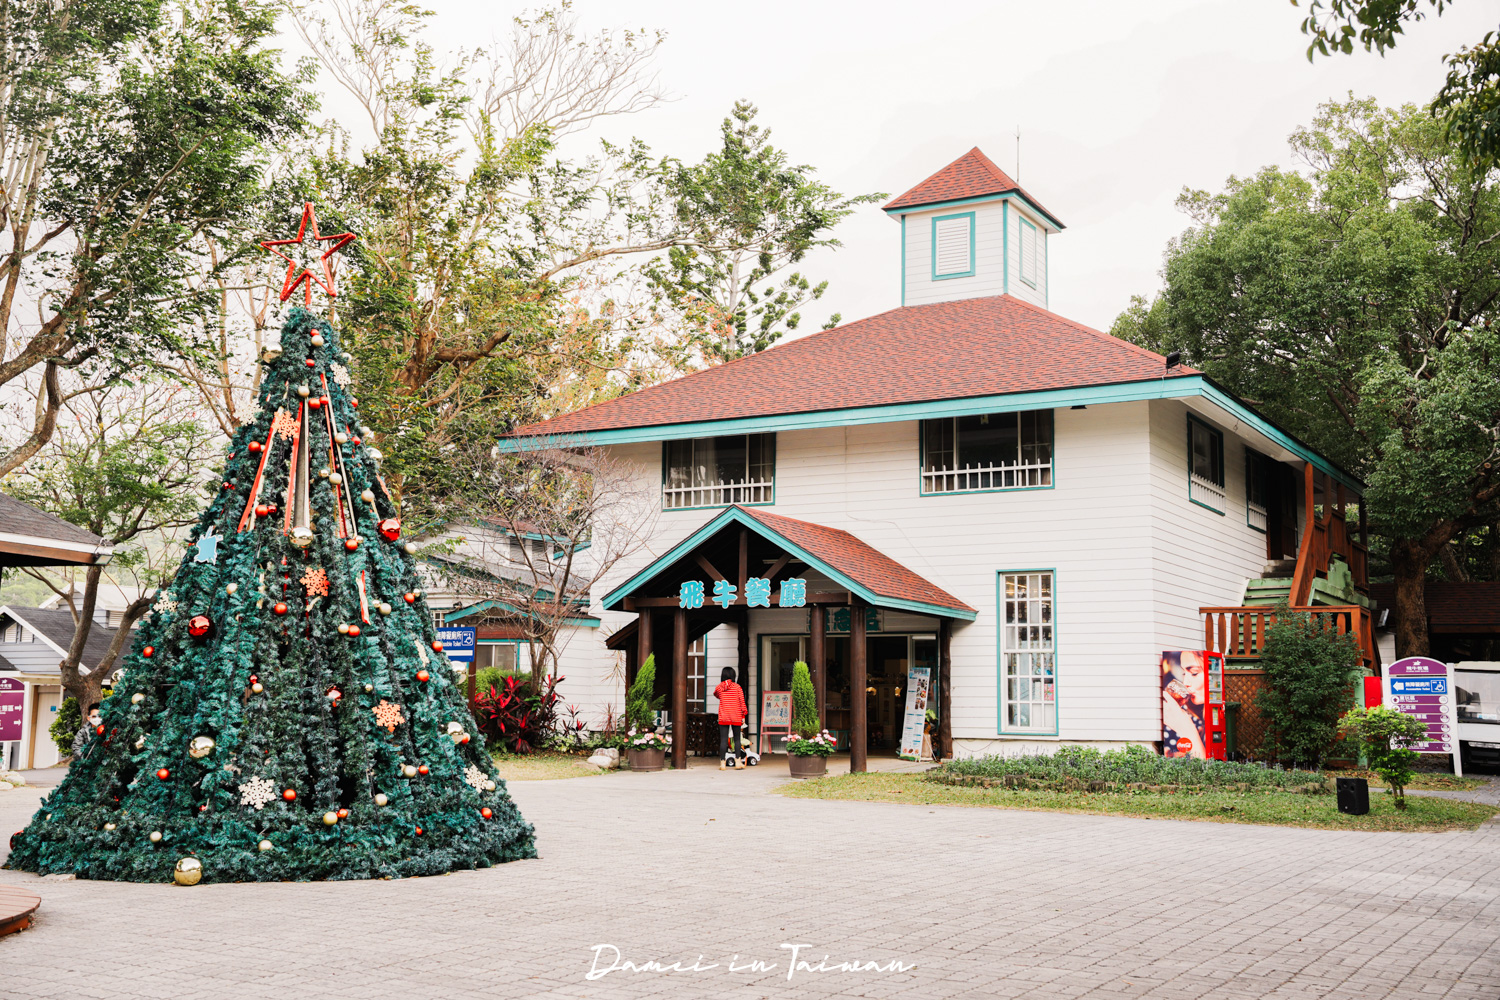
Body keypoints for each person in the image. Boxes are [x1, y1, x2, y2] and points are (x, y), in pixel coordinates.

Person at [714, 667, 748, 770]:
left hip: (723, 716)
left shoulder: (719, 687)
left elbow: (716, 694)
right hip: (736, 716)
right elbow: (742, 702)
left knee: (723, 740)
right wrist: (743, 715)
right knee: (737, 739)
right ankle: (738, 762)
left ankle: (722, 763)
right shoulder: (737, 687)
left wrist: (724, 690)